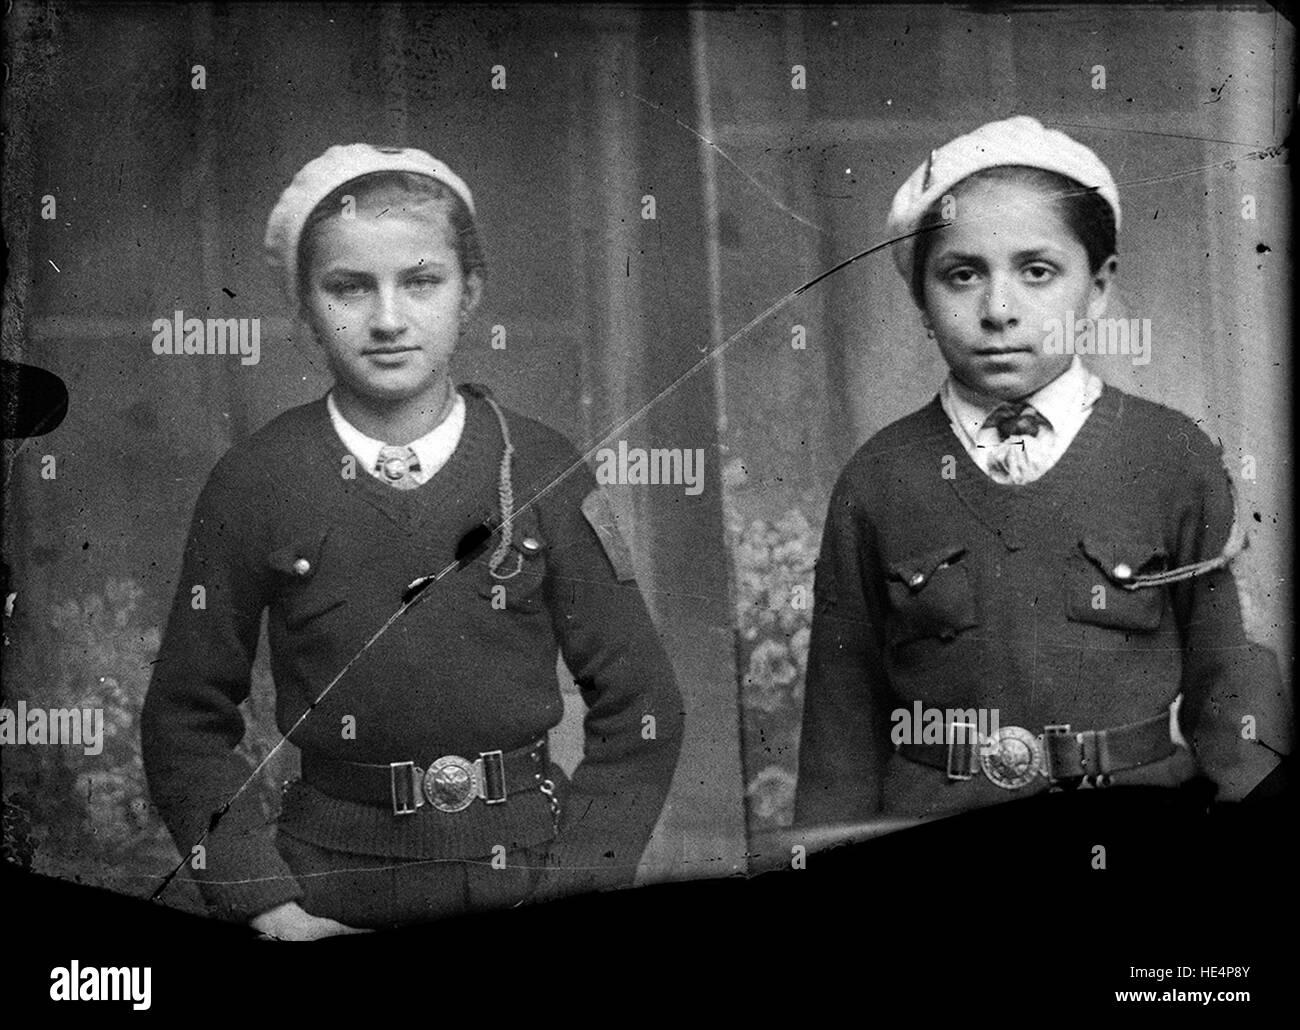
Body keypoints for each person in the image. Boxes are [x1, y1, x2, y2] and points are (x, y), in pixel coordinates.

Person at [142, 144, 684, 939]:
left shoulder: (539, 466)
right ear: (303, 310)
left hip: (523, 869)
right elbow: (183, 721)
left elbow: (645, 705)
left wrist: (580, 881)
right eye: (348, 288)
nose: (388, 318)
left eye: (422, 281)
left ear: (471, 294)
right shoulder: (256, 480)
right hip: (326, 885)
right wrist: (269, 906)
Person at [795, 116, 1271, 826]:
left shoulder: (1173, 456)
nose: (999, 310)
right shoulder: (878, 479)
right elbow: (841, 724)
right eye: (962, 275)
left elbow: (1233, 692)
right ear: (920, 299)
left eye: (1037, 271)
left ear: (1099, 287)